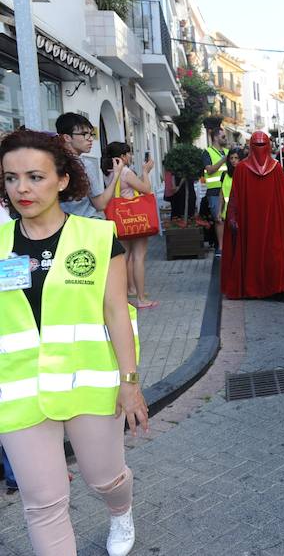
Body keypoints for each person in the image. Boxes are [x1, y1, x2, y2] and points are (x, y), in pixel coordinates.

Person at [0, 130, 149, 556]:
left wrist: (130, 381)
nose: (22, 189)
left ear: (63, 180)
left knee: (104, 477)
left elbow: (118, 313)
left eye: (34, 176)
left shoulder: (98, 238)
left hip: (90, 383)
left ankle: (120, 512)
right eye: (11, 179)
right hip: (20, 390)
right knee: (43, 503)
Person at [221, 131, 284, 300]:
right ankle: (258, 287)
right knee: (254, 253)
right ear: (251, 146)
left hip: (271, 221)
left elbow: (283, 199)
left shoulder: (275, 169)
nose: (260, 149)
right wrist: (232, 216)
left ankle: (277, 286)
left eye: (262, 145)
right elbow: (235, 197)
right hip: (250, 222)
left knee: (274, 254)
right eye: (257, 145)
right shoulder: (243, 169)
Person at [102, 142, 158, 310]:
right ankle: (141, 298)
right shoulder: (125, 172)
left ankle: (125, 295)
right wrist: (146, 172)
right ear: (123, 156)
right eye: (129, 153)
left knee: (124, 258)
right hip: (136, 219)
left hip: (120, 220)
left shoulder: (108, 172)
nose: (131, 156)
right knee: (138, 257)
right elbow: (146, 189)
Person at [56, 113, 122, 219]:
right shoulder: (84, 165)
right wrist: (116, 175)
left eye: (91, 134)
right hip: (87, 224)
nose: (90, 139)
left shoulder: (51, 162)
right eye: (85, 134)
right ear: (67, 137)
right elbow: (100, 204)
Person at [202, 127, 229, 257]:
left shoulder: (228, 151)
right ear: (216, 137)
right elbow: (209, 170)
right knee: (219, 220)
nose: (225, 139)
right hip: (214, 191)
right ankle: (221, 247)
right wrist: (224, 159)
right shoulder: (207, 152)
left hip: (228, 190)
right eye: (223, 137)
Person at [219, 147, 242, 220]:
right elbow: (221, 195)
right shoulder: (225, 174)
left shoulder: (245, 174)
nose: (233, 160)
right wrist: (219, 211)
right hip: (227, 213)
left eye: (236, 158)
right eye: (231, 158)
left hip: (242, 213)